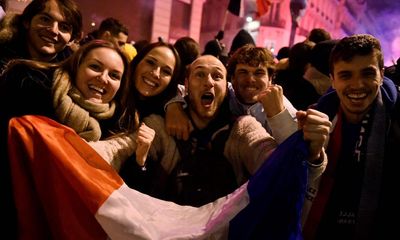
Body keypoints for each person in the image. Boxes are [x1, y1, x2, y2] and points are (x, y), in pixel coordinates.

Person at [117, 55, 331, 207]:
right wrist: (136, 161)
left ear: (225, 86)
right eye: (199, 75)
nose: (208, 81)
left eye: (217, 76)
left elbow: (272, 161)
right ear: (186, 85)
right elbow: (117, 148)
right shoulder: (160, 125)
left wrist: (307, 152)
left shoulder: (243, 128)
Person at [0, 39, 131, 237]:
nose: (103, 79)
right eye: (95, 67)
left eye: (114, 75)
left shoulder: (117, 125)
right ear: (77, 65)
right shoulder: (31, 88)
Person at [302, 34, 400, 239]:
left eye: (367, 73)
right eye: (346, 75)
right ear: (333, 79)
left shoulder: (397, 124)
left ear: (382, 75)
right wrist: (311, 157)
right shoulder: (313, 120)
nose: (357, 84)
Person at [0, 0, 83, 72]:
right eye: (45, 19)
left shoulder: (74, 76)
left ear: (71, 40)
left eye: (64, 27)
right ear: (27, 21)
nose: (54, 30)